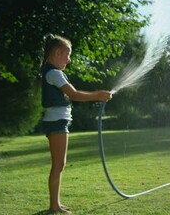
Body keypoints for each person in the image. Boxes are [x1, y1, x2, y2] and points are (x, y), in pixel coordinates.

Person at [41, 34, 112, 214]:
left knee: (60, 164)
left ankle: (55, 204)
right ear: (58, 52)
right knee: (58, 164)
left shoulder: (53, 72)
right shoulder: (54, 73)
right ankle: (54, 206)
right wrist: (97, 95)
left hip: (59, 121)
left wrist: (98, 95)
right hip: (56, 122)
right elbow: (73, 94)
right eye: (68, 54)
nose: (69, 59)